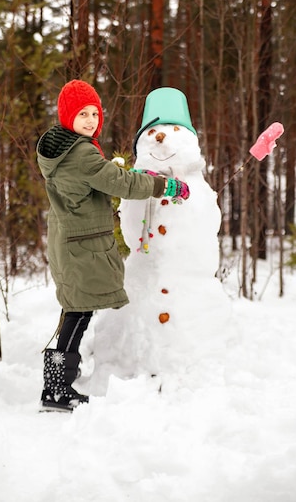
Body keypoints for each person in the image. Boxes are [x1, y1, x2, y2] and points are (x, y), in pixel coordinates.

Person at [36, 79, 190, 412]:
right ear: (67, 117)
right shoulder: (81, 154)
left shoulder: (60, 149)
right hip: (82, 243)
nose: (91, 120)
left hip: (67, 239)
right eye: (82, 114)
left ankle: (57, 382)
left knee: (74, 309)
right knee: (79, 311)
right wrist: (166, 185)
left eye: (95, 113)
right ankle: (56, 389)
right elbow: (119, 182)